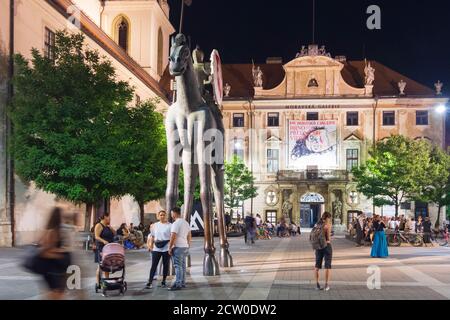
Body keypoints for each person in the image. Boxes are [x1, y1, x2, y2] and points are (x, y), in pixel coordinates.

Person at [39, 207, 72, 299]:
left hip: (56, 268)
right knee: (56, 295)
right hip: (52, 269)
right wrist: (61, 252)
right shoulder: (51, 231)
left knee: (56, 294)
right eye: (61, 215)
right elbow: (45, 250)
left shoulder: (53, 230)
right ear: (57, 217)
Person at [146, 211, 171, 289]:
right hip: (156, 248)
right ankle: (149, 281)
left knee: (165, 265)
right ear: (158, 216)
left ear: (166, 216)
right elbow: (152, 236)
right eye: (160, 215)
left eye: (163, 215)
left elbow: (172, 237)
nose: (162, 216)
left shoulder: (170, 225)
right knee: (154, 265)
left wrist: (171, 247)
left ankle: (164, 281)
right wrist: (150, 245)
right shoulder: (155, 225)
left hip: (166, 247)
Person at [168, 207, 191, 291]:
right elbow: (189, 235)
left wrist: (170, 247)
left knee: (178, 266)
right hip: (185, 246)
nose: (171, 215)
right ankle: (182, 282)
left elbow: (173, 236)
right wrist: (188, 244)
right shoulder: (185, 222)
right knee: (183, 266)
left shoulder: (176, 223)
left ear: (174, 213)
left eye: (171, 213)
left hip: (178, 247)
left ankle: (178, 284)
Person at [94, 213, 116, 288]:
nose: (110, 219)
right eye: (109, 217)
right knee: (100, 266)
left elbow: (115, 233)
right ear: (105, 217)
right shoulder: (99, 225)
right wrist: (103, 241)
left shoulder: (108, 226)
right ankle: (98, 283)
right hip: (101, 248)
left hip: (109, 248)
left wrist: (111, 228)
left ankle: (106, 281)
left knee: (107, 266)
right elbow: (96, 236)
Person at [314, 212, 333, 291]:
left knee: (317, 266)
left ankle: (317, 285)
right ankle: (326, 285)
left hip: (318, 246)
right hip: (326, 246)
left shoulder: (317, 224)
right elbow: (328, 238)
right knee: (327, 266)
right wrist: (329, 238)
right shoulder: (327, 225)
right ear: (328, 218)